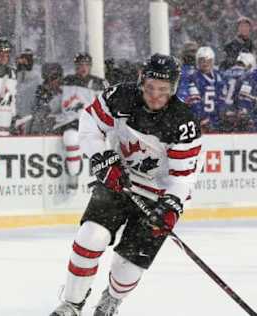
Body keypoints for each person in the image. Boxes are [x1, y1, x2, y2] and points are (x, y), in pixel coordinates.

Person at [49, 53, 202, 316]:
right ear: (142, 80)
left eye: (163, 90)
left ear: (174, 89)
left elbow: (183, 177)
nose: (155, 95)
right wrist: (102, 158)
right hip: (120, 181)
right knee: (91, 236)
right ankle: (71, 304)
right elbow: (89, 125)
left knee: (127, 268)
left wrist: (170, 206)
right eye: (151, 88)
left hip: (157, 196)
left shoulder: (183, 122)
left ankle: (112, 300)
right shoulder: (119, 96)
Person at [57, 52, 109, 189]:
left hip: (92, 124)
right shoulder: (67, 81)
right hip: (71, 122)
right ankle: (73, 176)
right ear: (75, 66)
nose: (83, 68)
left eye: (86, 64)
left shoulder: (99, 83)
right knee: (70, 138)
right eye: (80, 65)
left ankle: (106, 178)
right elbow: (57, 102)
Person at [182, 46, 227, 132]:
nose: (205, 64)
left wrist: (221, 114)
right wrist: (201, 118)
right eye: (202, 61)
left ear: (212, 61)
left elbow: (222, 99)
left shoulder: (219, 76)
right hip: (201, 121)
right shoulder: (194, 78)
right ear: (197, 62)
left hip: (216, 120)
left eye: (208, 61)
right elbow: (195, 103)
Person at [221, 52, 256, 132]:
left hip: (225, 113)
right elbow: (244, 95)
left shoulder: (225, 73)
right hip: (239, 113)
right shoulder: (248, 75)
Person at [28, 63, 64, 135]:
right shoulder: (41, 94)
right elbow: (38, 114)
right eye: (54, 77)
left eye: (60, 76)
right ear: (47, 79)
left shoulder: (65, 91)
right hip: (45, 131)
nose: (57, 80)